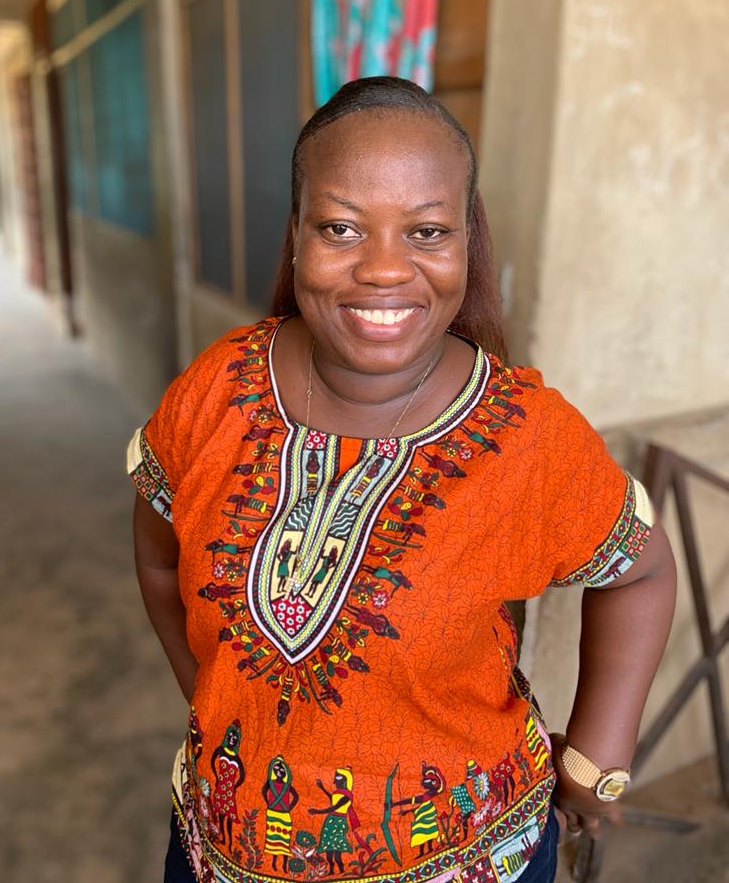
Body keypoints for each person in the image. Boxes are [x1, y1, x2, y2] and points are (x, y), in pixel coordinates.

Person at [129, 77, 677, 883]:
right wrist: (214, 704)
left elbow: (642, 571)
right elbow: (156, 555)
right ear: (295, 235)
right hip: (220, 850)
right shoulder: (217, 390)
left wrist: (598, 762)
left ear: (466, 241)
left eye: (426, 230)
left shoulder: (526, 436)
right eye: (341, 227)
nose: (384, 269)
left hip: (473, 859)